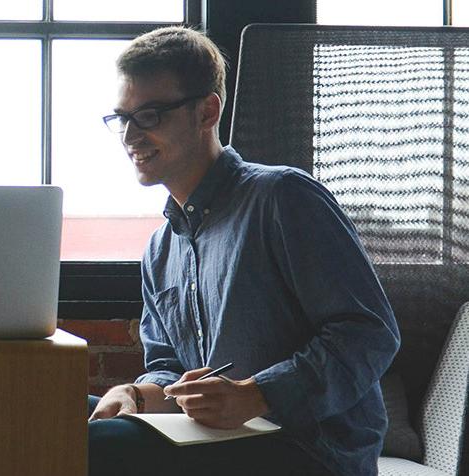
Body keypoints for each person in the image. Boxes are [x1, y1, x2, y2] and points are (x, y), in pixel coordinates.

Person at [87, 26, 400, 476]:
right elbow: (168, 368)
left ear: (207, 112)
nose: (130, 136)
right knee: (51, 414)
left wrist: (257, 394)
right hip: (215, 442)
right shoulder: (161, 248)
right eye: (122, 118)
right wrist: (137, 394)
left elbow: (370, 333)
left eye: (150, 115)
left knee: (93, 446)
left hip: (309, 450)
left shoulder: (283, 197)